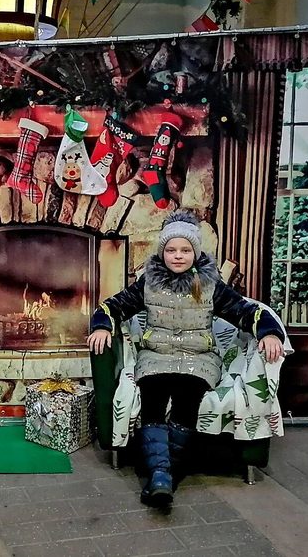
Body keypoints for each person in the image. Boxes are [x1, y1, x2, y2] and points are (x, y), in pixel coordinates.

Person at [88, 212, 285, 506]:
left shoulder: (209, 286)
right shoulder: (148, 284)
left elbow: (245, 311)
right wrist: (102, 325)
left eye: (185, 250)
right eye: (171, 250)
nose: (177, 256)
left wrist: (269, 333)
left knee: (187, 398)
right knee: (152, 397)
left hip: (198, 358)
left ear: (195, 252)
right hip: (156, 356)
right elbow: (114, 306)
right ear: (162, 252)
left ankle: (163, 475)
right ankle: (163, 476)